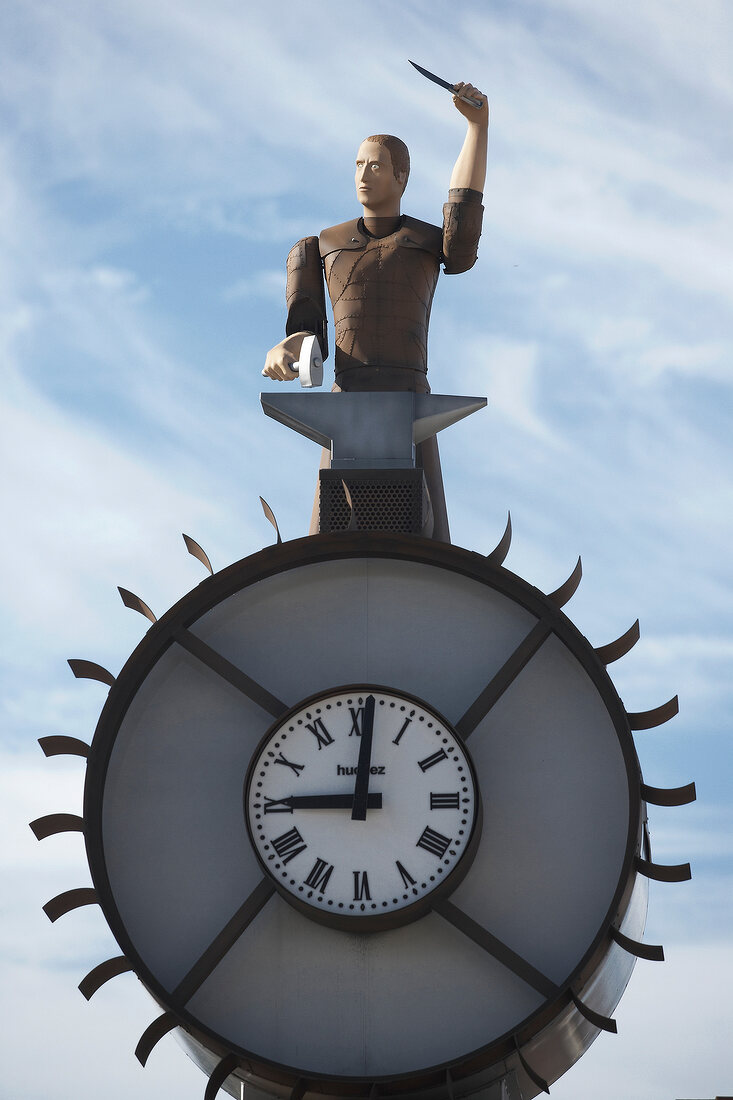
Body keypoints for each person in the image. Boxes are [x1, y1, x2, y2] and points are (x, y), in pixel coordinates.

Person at [263, 82, 488, 541]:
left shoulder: (428, 243)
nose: (364, 175)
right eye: (359, 165)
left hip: (411, 398)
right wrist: (288, 346)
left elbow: (462, 229)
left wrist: (476, 127)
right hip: (346, 400)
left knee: (426, 538)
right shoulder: (320, 246)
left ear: (401, 178)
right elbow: (310, 336)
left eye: (377, 166)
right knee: (329, 533)